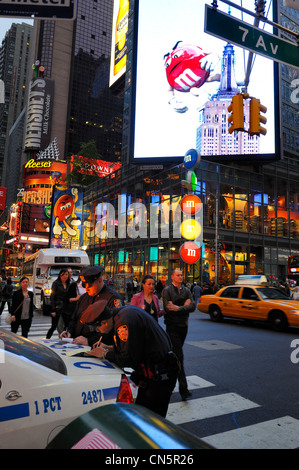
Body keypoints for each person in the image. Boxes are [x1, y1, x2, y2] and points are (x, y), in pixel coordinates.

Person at [87, 302, 179, 417]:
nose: (98, 332)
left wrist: (105, 353)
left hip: (159, 375)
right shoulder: (122, 314)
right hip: (152, 374)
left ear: (104, 323)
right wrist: (108, 347)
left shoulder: (124, 322)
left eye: (97, 328)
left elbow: (128, 359)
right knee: (142, 416)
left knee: (152, 421)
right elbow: (134, 346)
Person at [60, 266, 123, 346]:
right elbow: (75, 318)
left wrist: (89, 341)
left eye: (89, 286)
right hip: (76, 343)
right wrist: (69, 332)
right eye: (84, 285)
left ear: (100, 281)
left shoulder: (113, 298)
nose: (86, 289)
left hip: (97, 346)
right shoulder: (84, 298)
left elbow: (113, 329)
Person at [162, 268, 195, 401]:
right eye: (178, 275)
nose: (181, 277)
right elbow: (168, 309)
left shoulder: (187, 290)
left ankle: (167, 387)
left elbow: (193, 306)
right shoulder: (167, 290)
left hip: (183, 327)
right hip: (172, 327)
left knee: (175, 357)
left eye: (181, 275)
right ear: (172, 277)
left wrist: (178, 307)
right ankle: (184, 389)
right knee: (179, 356)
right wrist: (183, 306)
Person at [46, 269, 70, 339]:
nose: (65, 276)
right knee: (54, 326)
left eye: (66, 274)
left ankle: (63, 338)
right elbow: (52, 297)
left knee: (66, 325)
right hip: (57, 307)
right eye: (63, 274)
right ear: (60, 275)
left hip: (66, 308)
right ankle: (47, 338)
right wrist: (53, 309)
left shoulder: (68, 284)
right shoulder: (56, 283)